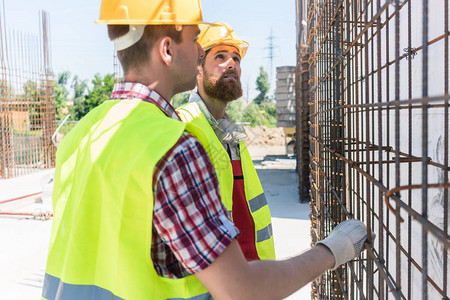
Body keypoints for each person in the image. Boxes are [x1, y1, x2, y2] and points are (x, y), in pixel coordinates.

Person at [42, 1, 372, 299]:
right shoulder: (173, 145)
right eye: (193, 38)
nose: (199, 49)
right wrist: (333, 250)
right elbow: (240, 289)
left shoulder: (81, 132)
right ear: (167, 49)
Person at [177, 22, 275, 262]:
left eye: (236, 59)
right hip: (219, 281)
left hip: (254, 274)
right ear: (197, 69)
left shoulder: (232, 134)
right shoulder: (182, 126)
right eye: (219, 56)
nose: (232, 63)